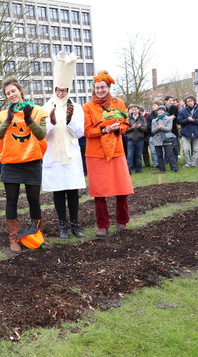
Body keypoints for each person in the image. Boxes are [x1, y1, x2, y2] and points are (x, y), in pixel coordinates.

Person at [0, 76, 47, 251]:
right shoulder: (2, 115)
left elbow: (41, 135)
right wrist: (8, 119)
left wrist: (29, 118)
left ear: (20, 91)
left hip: (32, 161)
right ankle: (13, 238)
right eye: (8, 93)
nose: (11, 95)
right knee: (11, 201)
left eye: (13, 91)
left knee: (33, 199)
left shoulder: (37, 111)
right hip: (11, 162)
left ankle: (36, 235)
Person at [83, 71, 134, 237]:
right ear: (93, 89)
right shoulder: (88, 107)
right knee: (99, 192)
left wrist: (117, 128)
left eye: (102, 87)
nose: (100, 90)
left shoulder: (118, 103)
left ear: (108, 87)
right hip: (96, 154)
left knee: (121, 189)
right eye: (97, 88)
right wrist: (105, 129)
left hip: (116, 151)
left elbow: (125, 124)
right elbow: (87, 131)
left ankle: (122, 221)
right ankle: (102, 226)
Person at [42, 52, 86, 239]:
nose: (60, 93)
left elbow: (80, 133)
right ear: (54, 89)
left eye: (64, 91)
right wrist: (51, 122)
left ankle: (75, 224)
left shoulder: (76, 107)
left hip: (71, 154)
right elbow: (42, 135)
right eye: (58, 90)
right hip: (54, 156)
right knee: (59, 191)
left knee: (72, 190)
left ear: (69, 90)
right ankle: (62, 225)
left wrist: (69, 120)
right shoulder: (45, 107)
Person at [151, 105, 178, 172]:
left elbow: (169, 129)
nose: (160, 112)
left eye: (161, 110)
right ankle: (162, 169)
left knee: (170, 154)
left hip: (166, 138)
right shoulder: (154, 120)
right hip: (157, 139)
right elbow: (153, 131)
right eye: (158, 110)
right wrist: (157, 128)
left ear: (164, 111)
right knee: (159, 155)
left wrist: (162, 127)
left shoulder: (169, 119)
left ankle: (174, 168)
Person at [177, 95, 198, 168]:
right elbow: (179, 121)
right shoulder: (182, 111)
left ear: (194, 101)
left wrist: (194, 120)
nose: (189, 102)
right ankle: (187, 163)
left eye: (191, 101)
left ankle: (194, 163)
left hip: (196, 132)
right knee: (185, 149)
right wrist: (187, 120)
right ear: (186, 102)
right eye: (188, 101)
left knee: (196, 149)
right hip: (185, 133)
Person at [125, 104, 147, 173]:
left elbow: (145, 129)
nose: (134, 110)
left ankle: (139, 169)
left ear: (138, 110)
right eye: (133, 109)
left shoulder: (142, 118)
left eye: (136, 109)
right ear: (131, 110)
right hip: (130, 140)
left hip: (140, 139)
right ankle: (129, 170)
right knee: (130, 156)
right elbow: (125, 129)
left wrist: (139, 127)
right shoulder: (128, 118)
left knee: (139, 155)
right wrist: (132, 127)